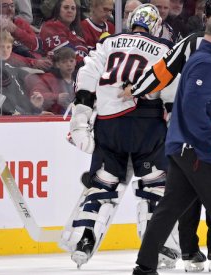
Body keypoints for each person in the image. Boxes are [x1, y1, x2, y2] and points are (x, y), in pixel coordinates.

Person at [122, 0, 211, 272]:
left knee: (171, 208)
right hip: (200, 149)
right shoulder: (206, 62)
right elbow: (193, 108)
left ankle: (145, 266)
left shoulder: (209, 57)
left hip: (190, 145)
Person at [60, 4, 181, 270]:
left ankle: (84, 238)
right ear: (156, 25)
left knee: (103, 183)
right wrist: (175, 126)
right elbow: (172, 89)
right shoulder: (164, 48)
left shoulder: (110, 41)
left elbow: (87, 73)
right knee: (154, 185)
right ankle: (157, 245)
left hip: (108, 124)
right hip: (147, 124)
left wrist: (81, 115)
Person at [0, 30, 45, 115]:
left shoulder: (11, 68)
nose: (5, 50)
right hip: (2, 119)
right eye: (1, 47)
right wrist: (12, 112)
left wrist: (35, 107)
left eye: (8, 47)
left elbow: (19, 96)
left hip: (16, 117)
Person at [0, 0, 53, 70]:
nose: (10, 9)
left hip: (38, 60)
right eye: (5, 6)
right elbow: (4, 55)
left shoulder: (19, 22)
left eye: (12, 6)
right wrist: (33, 62)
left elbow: (36, 45)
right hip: (15, 68)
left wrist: (15, 30)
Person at [25, 47, 76, 114]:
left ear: (75, 62)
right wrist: (56, 97)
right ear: (57, 64)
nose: (69, 64)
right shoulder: (47, 78)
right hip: (55, 118)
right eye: (64, 62)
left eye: (71, 61)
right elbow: (36, 94)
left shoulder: (79, 78)